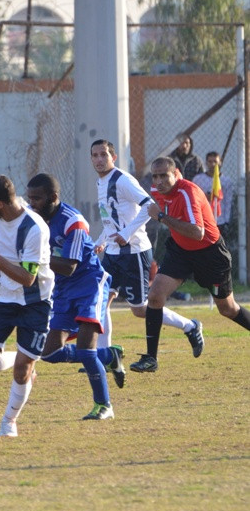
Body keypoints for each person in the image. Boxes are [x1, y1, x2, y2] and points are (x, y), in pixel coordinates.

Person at [91, 139, 202, 372]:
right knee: (101, 301)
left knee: (141, 309)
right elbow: (110, 217)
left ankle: (190, 326)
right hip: (112, 253)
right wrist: (101, 241)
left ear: (114, 157)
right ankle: (107, 357)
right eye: (95, 155)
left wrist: (127, 232)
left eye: (104, 155)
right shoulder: (101, 182)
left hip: (134, 252)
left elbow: (149, 206)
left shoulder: (122, 180)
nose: (99, 160)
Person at [134, 157, 250, 372]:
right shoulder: (155, 189)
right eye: (155, 176)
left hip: (210, 254)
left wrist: (161, 216)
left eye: (164, 176)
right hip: (180, 251)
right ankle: (150, 359)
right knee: (155, 296)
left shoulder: (187, 192)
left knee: (228, 309)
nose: (158, 181)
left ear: (176, 174)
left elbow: (198, 233)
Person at [27, 173, 120, 420]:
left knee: (86, 350)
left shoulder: (73, 222)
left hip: (89, 284)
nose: (32, 203)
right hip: (64, 290)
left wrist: (33, 260)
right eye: (30, 198)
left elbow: (69, 266)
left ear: (54, 198)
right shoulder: (32, 218)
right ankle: (108, 356)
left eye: (37, 199)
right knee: (48, 353)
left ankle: (104, 405)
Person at [0, 174, 54, 438]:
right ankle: (26, 364)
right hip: (1, 299)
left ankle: (9, 420)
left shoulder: (34, 229)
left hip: (34, 302)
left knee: (21, 371)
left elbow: (28, 279)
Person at [193, 151, 235, 243]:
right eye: (210, 161)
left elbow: (228, 201)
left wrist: (227, 220)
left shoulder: (226, 181)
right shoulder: (198, 179)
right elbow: (194, 198)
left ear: (220, 162)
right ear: (206, 163)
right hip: (203, 219)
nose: (212, 164)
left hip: (220, 220)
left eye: (215, 161)